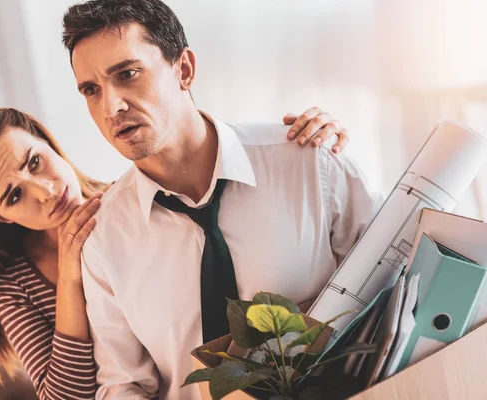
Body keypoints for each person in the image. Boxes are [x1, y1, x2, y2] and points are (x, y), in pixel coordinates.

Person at [61, 1, 382, 399]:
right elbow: (122, 384)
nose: (111, 107)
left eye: (127, 74)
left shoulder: (310, 164)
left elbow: (394, 288)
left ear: (184, 69)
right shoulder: (105, 238)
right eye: (91, 90)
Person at [0, 104, 348, 400]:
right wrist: (71, 276)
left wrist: (310, 138)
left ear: (47, 142)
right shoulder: (15, 287)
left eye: (35, 162)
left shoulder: (142, 204)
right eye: (13, 195)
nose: (44, 190)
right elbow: (64, 398)